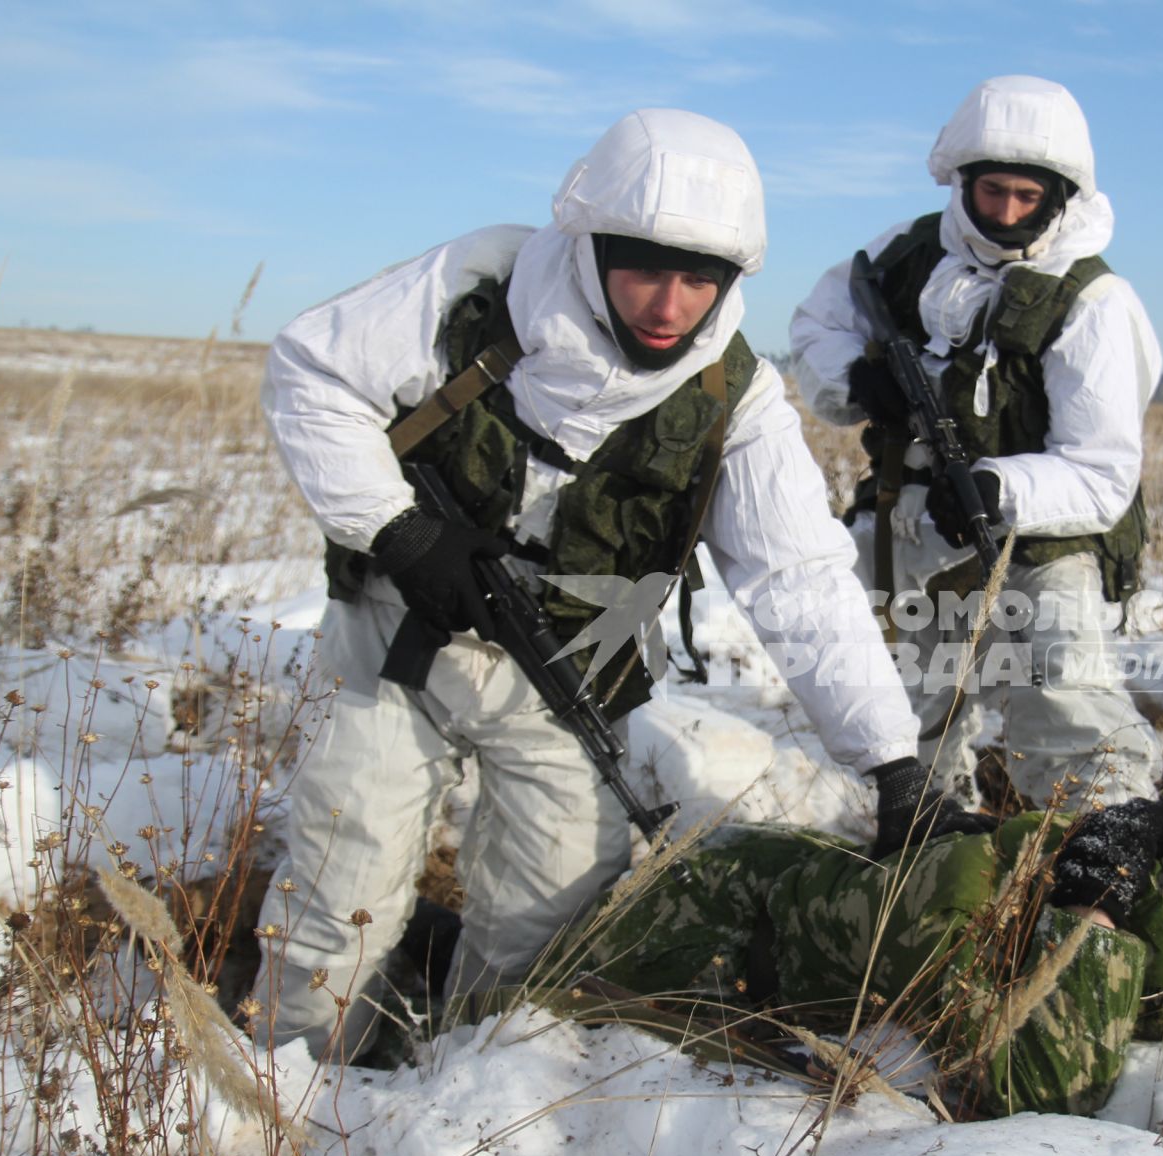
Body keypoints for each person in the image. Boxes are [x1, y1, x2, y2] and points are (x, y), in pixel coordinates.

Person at [253, 109, 989, 1063]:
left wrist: (892, 763)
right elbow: (310, 371)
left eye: (699, 279)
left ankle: (455, 1092)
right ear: (591, 243)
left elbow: (798, 577)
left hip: (570, 670)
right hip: (402, 635)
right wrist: (399, 534)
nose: (668, 304)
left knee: (544, 919)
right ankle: (283, 1115)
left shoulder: (737, 398)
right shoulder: (480, 288)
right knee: (336, 892)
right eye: (644, 267)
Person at [790, 75, 1163, 813]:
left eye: (1029, 198)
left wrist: (1000, 488)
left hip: (1035, 544)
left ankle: (1104, 870)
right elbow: (814, 329)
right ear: (961, 180)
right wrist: (862, 383)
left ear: (1062, 196)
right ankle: (926, 857)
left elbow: (1102, 472)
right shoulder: (904, 253)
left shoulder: (1092, 298)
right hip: (905, 530)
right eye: (992, 192)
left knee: (1071, 724)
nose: (1007, 214)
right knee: (900, 725)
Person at [522, 800, 1163, 1118]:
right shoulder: (965, 908)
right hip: (687, 920)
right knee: (510, 1008)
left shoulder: (1093, 906)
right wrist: (1094, 914)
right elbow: (1051, 1090)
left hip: (782, 869)